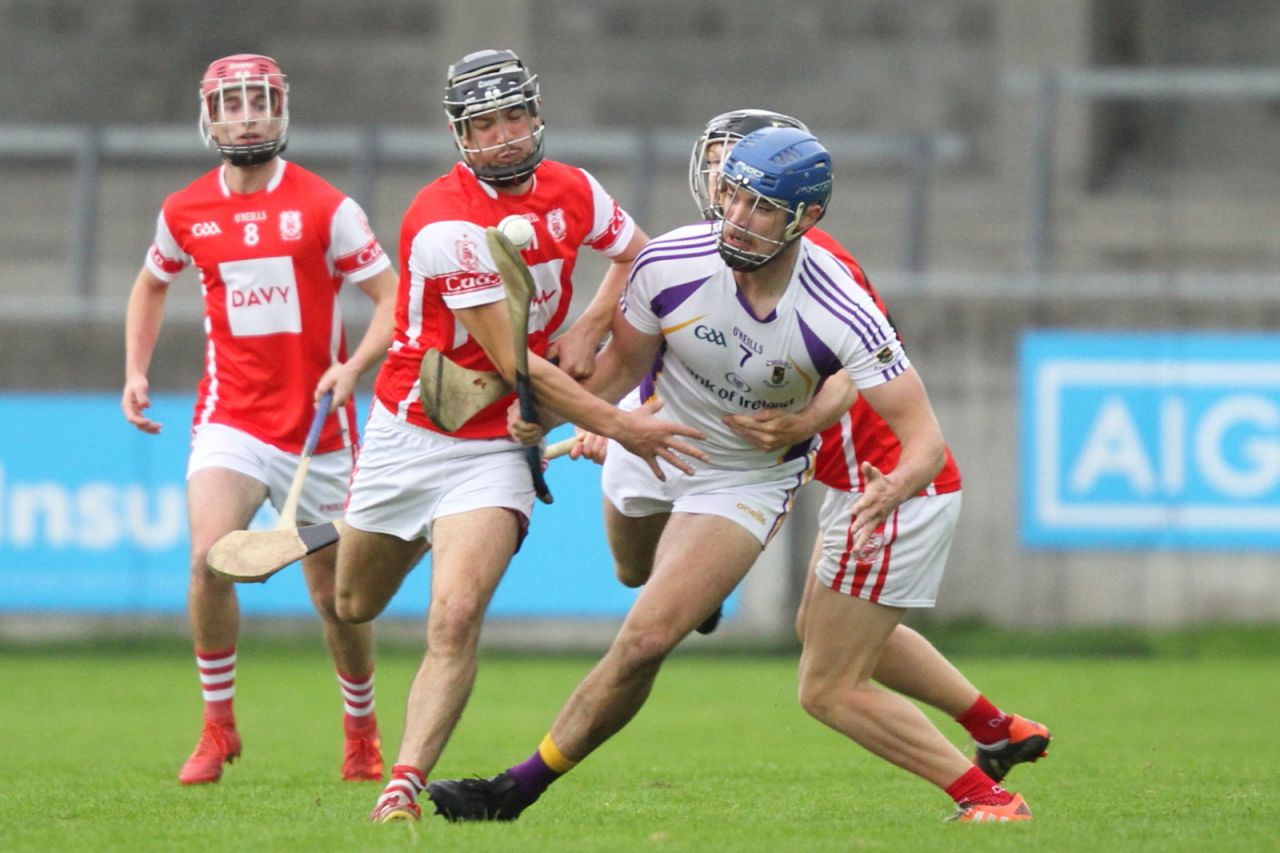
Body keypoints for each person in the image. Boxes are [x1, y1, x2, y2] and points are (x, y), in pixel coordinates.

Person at [424, 124, 1035, 824]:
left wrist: (892, 481)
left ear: (805, 218)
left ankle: (515, 789)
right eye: (733, 197)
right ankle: (696, 590)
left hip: (743, 478)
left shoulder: (841, 307)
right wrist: (581, 416)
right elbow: (620, 370)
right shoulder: (669, 263)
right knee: (632, 572)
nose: (738, 219)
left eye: (761, 207)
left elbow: (922, 438)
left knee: (647, 636)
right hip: (655, 436)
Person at [329, 48, 705, 824]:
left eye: (512, 116)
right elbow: (512, 359)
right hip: (413, 431)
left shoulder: (575, 188)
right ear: (458, 134)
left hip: (495, 446)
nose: (501, 136)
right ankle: (384, 531)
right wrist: (622, 424)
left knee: (455, 614)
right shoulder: (442, 222)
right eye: (482, 124)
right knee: (355, 600)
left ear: (536, 114)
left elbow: (639, 253)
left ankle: (402, 782)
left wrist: (593, 321)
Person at [697, 109, 1052, 814]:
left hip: (890, 487)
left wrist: (804, 423)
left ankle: (986, 796)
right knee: (825, 636)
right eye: (720, 166)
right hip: (865, 483)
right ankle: (996, 728)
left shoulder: (817, 262)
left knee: (827, 686)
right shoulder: (730, 261)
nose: (725, 184)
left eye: (742, 170)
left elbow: (855, 370)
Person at [122, 53, 397, 785]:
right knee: (208, 557)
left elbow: (393, 298)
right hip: (231, 418)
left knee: (338, 598)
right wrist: (136, 370)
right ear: (208, 117)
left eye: (261, 100)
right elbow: (151, 284)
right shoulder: (184, 210)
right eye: (232, 103)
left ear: (282, 110)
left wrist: (354, 366)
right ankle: (218, 727)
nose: (247, 114)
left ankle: (362, 731)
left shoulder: (327, 208)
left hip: (320, 429)